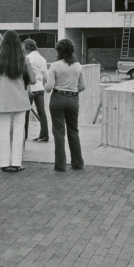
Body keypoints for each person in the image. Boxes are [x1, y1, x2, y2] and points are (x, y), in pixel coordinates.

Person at [0, 31, 35, 172]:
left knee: (3, 130)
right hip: (20, 98)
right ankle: (16, 162)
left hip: (3, 97)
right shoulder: (23, 59)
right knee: (18, 130)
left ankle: (4, 163)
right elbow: (33, 79)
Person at [44, 39, 85, 172]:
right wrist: (71, 91)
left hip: (57, 98)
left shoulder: (55, 66)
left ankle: (60, 165)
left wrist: (45, 84)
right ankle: (77, 163)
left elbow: (49, 87)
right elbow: (82, 86)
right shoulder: (78, 66)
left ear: (59, 51)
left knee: (59, 132)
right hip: (73, 99)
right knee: (73, 131)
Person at [22, 39, 49, 142]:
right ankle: (44, 135)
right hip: (40, 87)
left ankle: (24, 135)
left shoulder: (27, 58)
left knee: (25, 112)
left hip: (30, 88)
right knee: (42, 112)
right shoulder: (42, 59)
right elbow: (46, 75)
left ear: (27, 47)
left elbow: (28, 75)